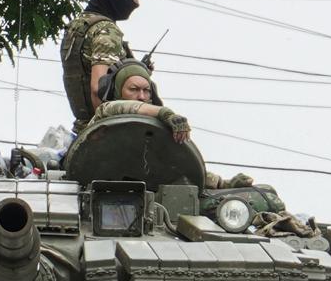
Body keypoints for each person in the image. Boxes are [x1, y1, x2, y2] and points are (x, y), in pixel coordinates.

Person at [88, 64, 254, 191]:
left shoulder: (154, 133)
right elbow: (127, 107)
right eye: (133, 89)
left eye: (146, 91)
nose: (141, 96)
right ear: (117, 89)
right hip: (96, 189)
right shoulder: (106, 111)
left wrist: (223, 184)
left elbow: (178, 166)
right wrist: (165, 113)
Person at [60, 0, 139, 131]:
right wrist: (108, 133)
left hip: (82, 129)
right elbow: (98, 89)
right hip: (102, 134)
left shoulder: (77, 26)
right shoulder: (106, 30)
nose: (136, 4)